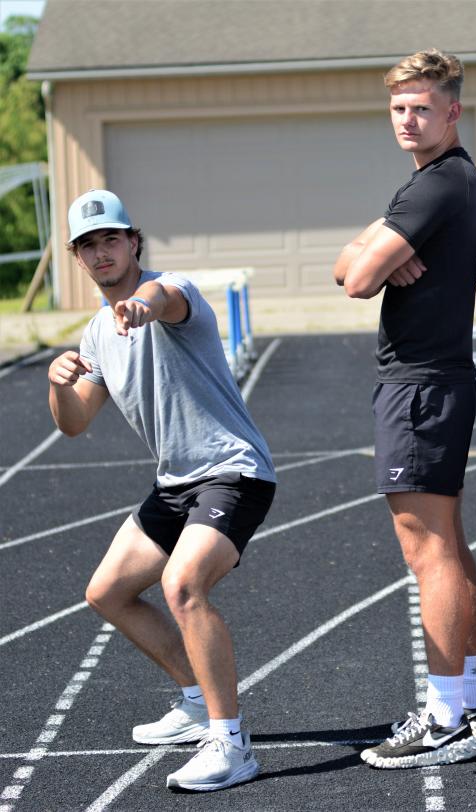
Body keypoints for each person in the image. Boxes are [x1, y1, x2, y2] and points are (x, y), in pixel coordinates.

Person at [47, 189, 276, 792]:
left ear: (133, 243)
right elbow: (73, 423)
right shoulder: (96, 333)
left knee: (183, 584)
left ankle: (230, 743)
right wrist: (57, 381)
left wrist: (142, 305)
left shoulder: (174, 292)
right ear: (77, 258)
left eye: (111, 240)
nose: (102, 253)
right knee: (107, 592)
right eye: (89, 245)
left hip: (233, 471)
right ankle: (198, 700)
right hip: (176, 483)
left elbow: (161, 298)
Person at [333, 49, 476, 769]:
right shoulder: (431, 185)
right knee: (448, 547)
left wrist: (374, 251)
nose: (407, 119)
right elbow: (351, 263)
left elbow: (355, 279)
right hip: (430, 381)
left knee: (428, 553)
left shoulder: (435, 188)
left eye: (421, 107)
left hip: (421, 385)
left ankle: (446, 715)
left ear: (453, 112)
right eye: (398, 108)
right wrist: (374, 249)